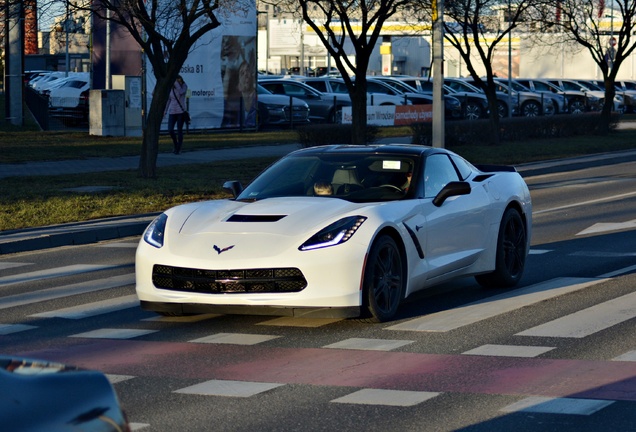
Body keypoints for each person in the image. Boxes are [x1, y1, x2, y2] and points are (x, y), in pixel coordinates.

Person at [165, 75, 188, 154]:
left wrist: (176, 83)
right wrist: (165, 111)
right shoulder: (171, 88)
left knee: (179, 130)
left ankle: (179, 148)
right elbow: (169, 100)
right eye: (177, 81)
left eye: (179, 81)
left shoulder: (184, 86)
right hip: (172, 111)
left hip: (180, 112)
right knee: (170, 129)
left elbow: (181, 92)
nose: (178, 82)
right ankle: (176, 145)